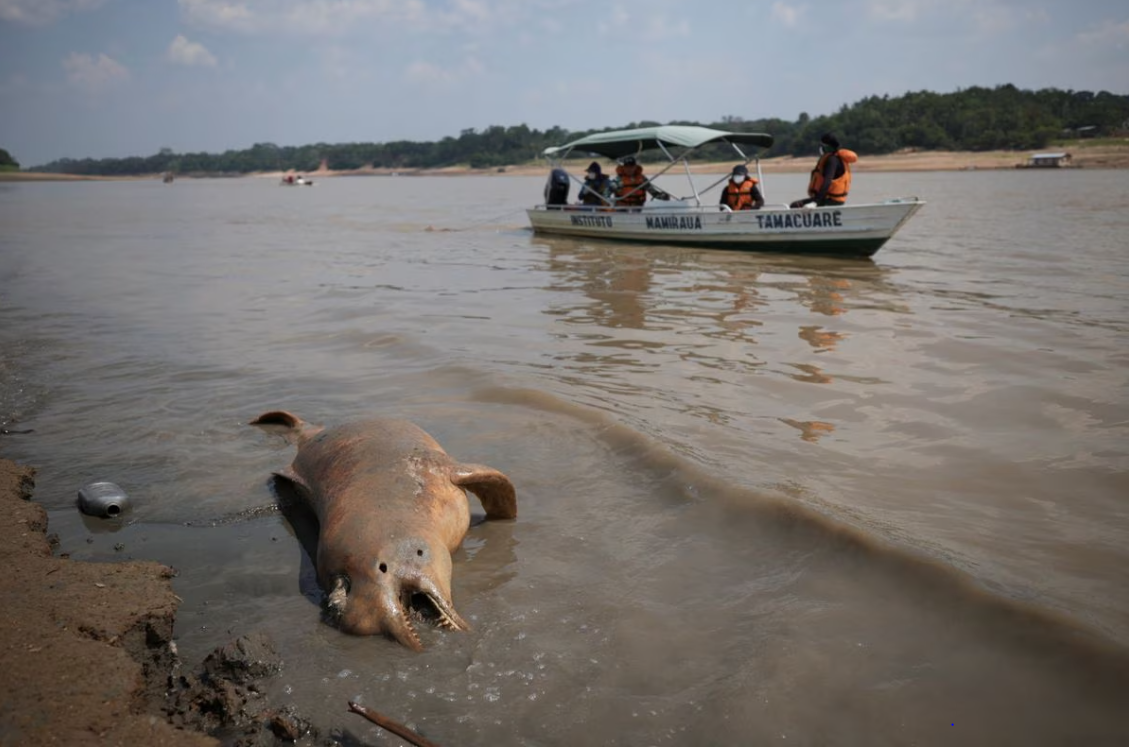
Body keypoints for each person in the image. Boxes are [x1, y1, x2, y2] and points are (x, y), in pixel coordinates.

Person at [790, 132, 858, 208]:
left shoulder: (832, 160)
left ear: (827, 147)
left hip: (830, 201)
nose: (820, 148)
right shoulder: (836, 158)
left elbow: (827, 181)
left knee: (794, 205)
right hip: (833, 200)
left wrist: (816, 202)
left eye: (822, 145)